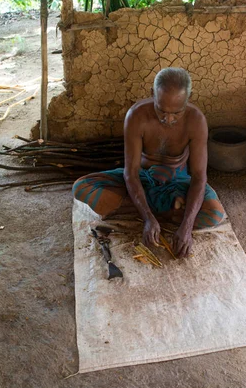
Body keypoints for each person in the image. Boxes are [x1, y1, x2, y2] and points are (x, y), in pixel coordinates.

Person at [73, 67, 226, 258]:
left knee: (215, 213)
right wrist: (147, 218)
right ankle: (165, 211)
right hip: (142, 178)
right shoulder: (136, 116)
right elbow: (131, 172)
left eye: (176, 113)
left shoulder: (196, 121)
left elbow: (198, 177)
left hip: (177, 182)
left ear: (189, 98)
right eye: (161, 110)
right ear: (152, 93)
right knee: (81, 187)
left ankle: (141, 208)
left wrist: (187, 227)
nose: (168, 119)